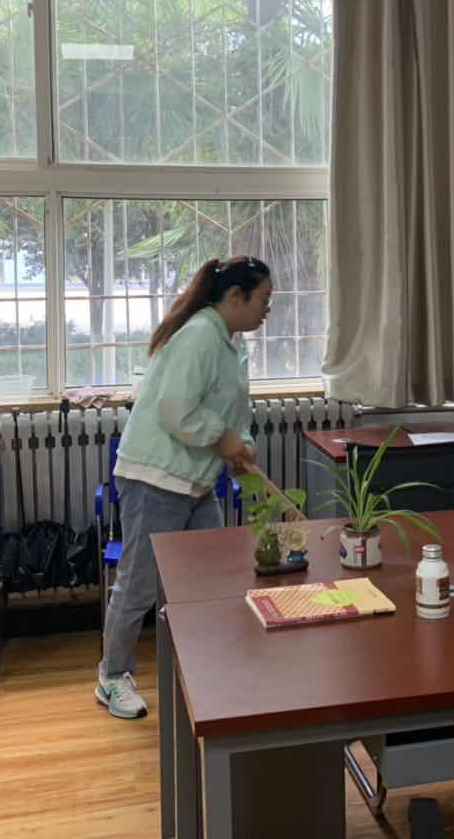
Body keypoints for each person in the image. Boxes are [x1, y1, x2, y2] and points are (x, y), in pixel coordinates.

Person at [96, 255, 271, 719]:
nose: (267, 311)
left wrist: (242, 447)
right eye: (263, 300)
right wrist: (221, 438)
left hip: (196, 481)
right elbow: (176, 409)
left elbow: (236, 413)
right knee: (139, 583)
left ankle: (206, 666)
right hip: (154, 477)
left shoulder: (232, 342)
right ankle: (112, 677)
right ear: (235, 296)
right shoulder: (199, 335)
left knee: (214, 575)